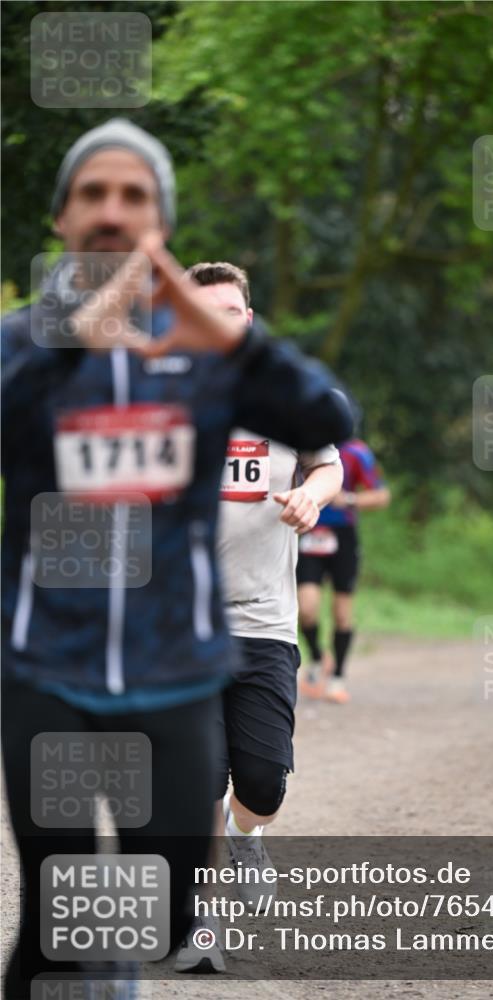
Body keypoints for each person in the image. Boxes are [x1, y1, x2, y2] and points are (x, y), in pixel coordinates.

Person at [1, 119, 352, 999]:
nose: (113, 211)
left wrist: (219, 329)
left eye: (136, 196)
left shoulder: (204, 359)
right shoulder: (21, 343)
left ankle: (125, 952)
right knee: (56, 916)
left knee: (168, 899)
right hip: (46, 665)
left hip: (178, 668)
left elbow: (323, 422)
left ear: (160, 219)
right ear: (62, 219)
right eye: (94, 193)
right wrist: (69, 330)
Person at [174, 261, 343, 973]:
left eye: (233, 311)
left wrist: (313, 493)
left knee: (262, 782)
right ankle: (198, 931)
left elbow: (329, 463)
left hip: (266, 624)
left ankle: (250, 835)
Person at [297, 438, 390, 703]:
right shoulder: (300, 441)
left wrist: (348, 499)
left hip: (344, 538)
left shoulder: (357, 453)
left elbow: (381, 495)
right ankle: (317, 657)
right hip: (310, 533)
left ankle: (337, 677)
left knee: (341, 612)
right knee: (307, 607)